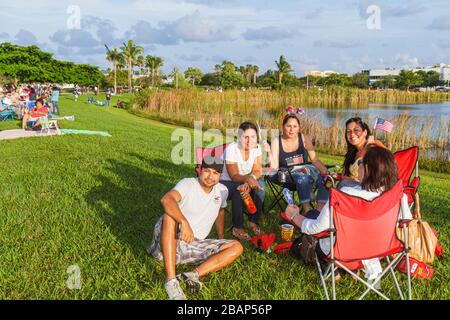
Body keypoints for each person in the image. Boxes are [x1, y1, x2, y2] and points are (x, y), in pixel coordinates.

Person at [284, 146, 413, 280]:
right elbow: (405, 222)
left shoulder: (344, 196)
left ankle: (333, 272)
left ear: (367, 169)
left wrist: (294, 216)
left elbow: (316, 228)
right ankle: (355, 270)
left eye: (360, 163)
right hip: (378, 252)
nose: (358, 167)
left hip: (342, 254)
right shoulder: (398, 197)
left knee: (312, 217)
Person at [148, 156, 243, 300]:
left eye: (215, 173)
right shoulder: (188, 184)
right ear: (200, 170)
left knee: (236, 247)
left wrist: (221, 237)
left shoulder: (222, 190)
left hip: (193, 244)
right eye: (207, 171)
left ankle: (192, 274)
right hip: (169, 240)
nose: (210, 176)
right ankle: (171, 281)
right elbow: (166, 199)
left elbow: (220, 212)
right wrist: (184, 223)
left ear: (220, 175)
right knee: (169, 217)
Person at [265, 113, 329, 213]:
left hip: (305, 171)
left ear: (299, 127)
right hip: (284, 174)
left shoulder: (304, 138)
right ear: (283, 126)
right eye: (288, 126)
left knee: (324, 178)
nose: (291, 129)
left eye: (295, 126)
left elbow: (315, 160)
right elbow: (274, 168)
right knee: (302, 178)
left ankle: (319, 211)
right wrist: (268, 152)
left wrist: (326, 172)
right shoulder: (276, 141)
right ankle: (307, 212)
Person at [220, 121, 266, 241]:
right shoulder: (232, 149)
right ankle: (237, 227)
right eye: (246, 137)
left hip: (244, 179)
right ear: (239, 137)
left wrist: (251, 180)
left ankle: (253, 221)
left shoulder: (257, 148)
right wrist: (247, 179)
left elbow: (257, 170)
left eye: (253, 137)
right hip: (225, 181)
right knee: (239, 190)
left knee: (261, 186)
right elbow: (233, 175)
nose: (249, 141)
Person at [340, 117, 386, 188]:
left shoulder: (374, 146)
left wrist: (370, 144)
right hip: (351, 188)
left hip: (369, 190)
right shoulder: (352, 152)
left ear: (365, 132)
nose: (352, 134)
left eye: (356, 130)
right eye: (348, 131)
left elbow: (390, 160)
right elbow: (344, 175)